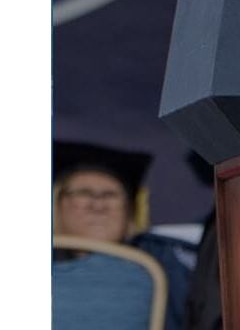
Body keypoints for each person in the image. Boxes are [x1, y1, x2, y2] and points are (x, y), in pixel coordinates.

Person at [52, 140, 196, 330]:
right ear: (58, 203)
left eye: (110, 195)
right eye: (84, 193)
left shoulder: (169, 267)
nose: (98, 205)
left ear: (130, 210)